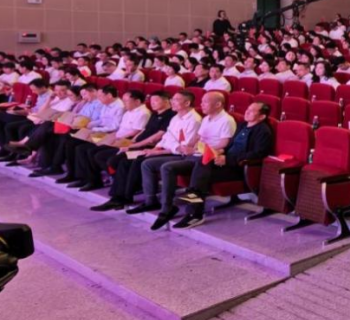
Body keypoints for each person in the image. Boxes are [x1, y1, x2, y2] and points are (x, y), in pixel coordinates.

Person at [131, 91, 235, 230]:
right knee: (147, 163)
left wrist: (196, 150)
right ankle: (153, 201)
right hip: (192, 154)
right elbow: (197, 138)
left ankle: (169, 209)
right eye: (202, 101)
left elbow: (224, 144)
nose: (201, 104)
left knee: (168, 167)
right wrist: (189, 147)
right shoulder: (206, 119)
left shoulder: (226, 120)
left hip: (205, 158)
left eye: (205, 102)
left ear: (218, 104)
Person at [91, 90, 197, 212]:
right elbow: (167, 138)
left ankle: (126, 197)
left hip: (175, 154)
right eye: (172, 99)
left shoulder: (193, 120)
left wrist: (154, 151)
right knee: (123, 160)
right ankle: (119, 197)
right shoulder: (176, 118)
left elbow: (182, 148)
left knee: (137, 161)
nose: (173, 102)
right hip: (159, 149)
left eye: (176, 100)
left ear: (187, 103)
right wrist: (153, 149)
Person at [174, 101, 275, 228]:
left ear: (262, 116)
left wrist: (227, 159)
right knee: (201, 165)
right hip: (225, 162)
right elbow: (231, 146)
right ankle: (193, 207)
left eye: (252, 110)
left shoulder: (263, 131)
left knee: (199, 175)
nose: (247, 111)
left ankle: (194, 211)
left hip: (239, 167)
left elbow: (258, 154)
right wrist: (220, 151)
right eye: (248, 108)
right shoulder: (242, 125)